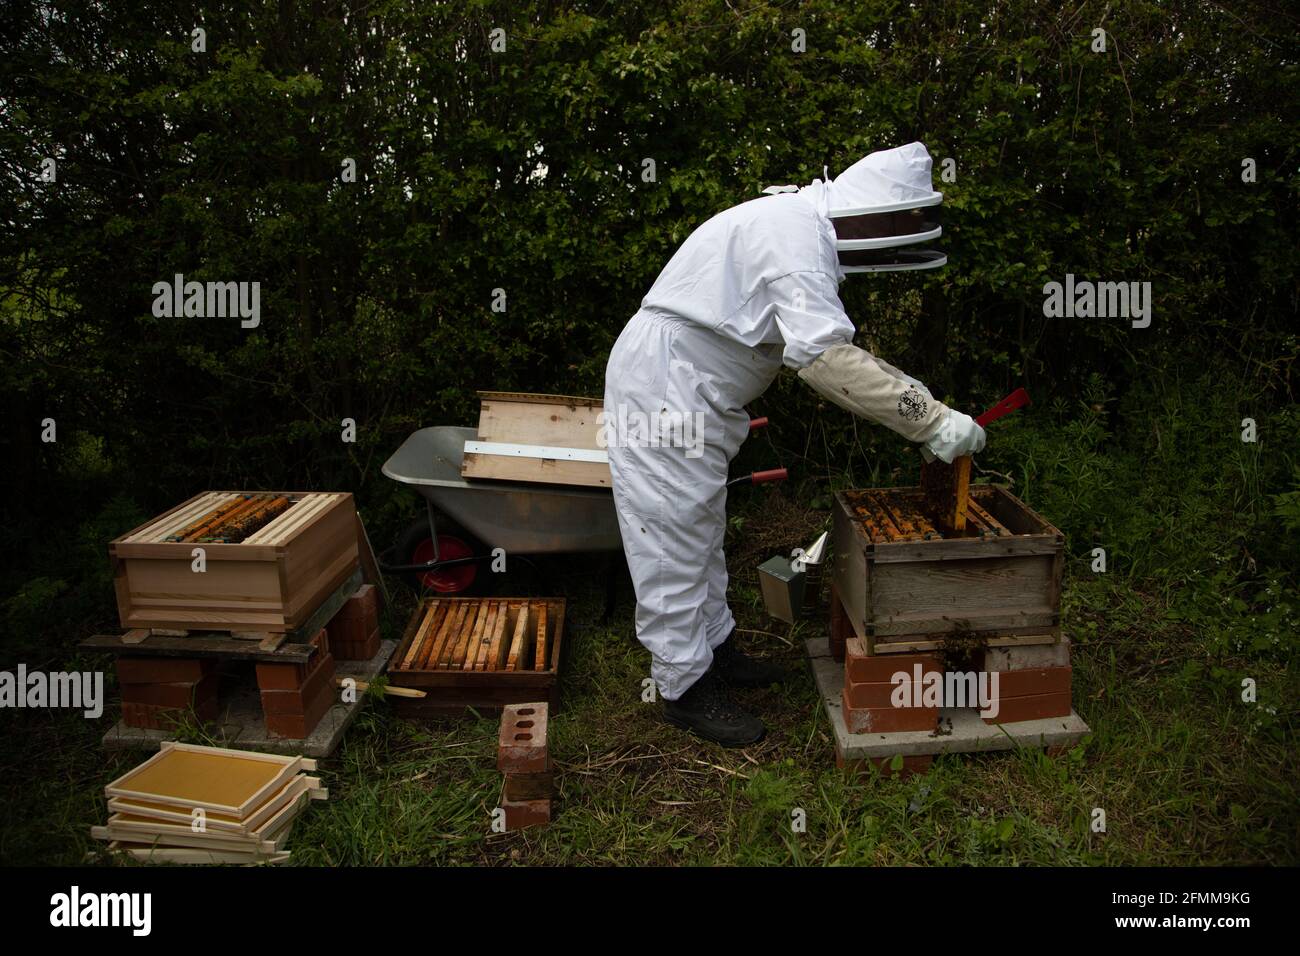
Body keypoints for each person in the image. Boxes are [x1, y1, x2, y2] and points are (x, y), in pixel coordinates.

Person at [603, 142, 986, 747]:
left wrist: (918, 400)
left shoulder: (799, 227)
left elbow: (828, 347)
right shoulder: (798, 242)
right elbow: (826, 359)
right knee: (671, 536)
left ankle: (716, 653)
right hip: (664, 389)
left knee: (699, 527)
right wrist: (931, 419)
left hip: (685, 386)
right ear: (876, 214)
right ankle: (681, 688)